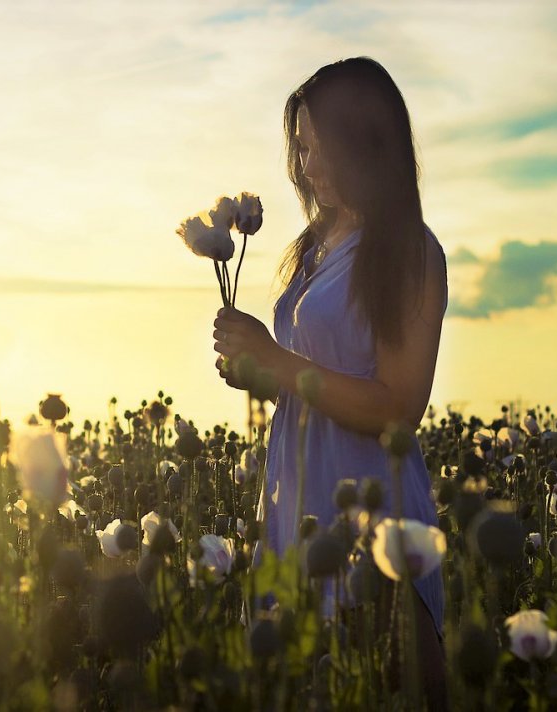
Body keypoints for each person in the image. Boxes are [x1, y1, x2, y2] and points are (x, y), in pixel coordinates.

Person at [211, 57, 448, 704]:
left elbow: (399, 407)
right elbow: (314, 374)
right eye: (302, 148)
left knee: (389, 684)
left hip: (372, 506)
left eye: (320, 148)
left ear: (368, 143)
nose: (307, 167)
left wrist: (278, 360)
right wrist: (259, 372)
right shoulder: (314, 246)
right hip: (295, 499)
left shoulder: (408, 250)